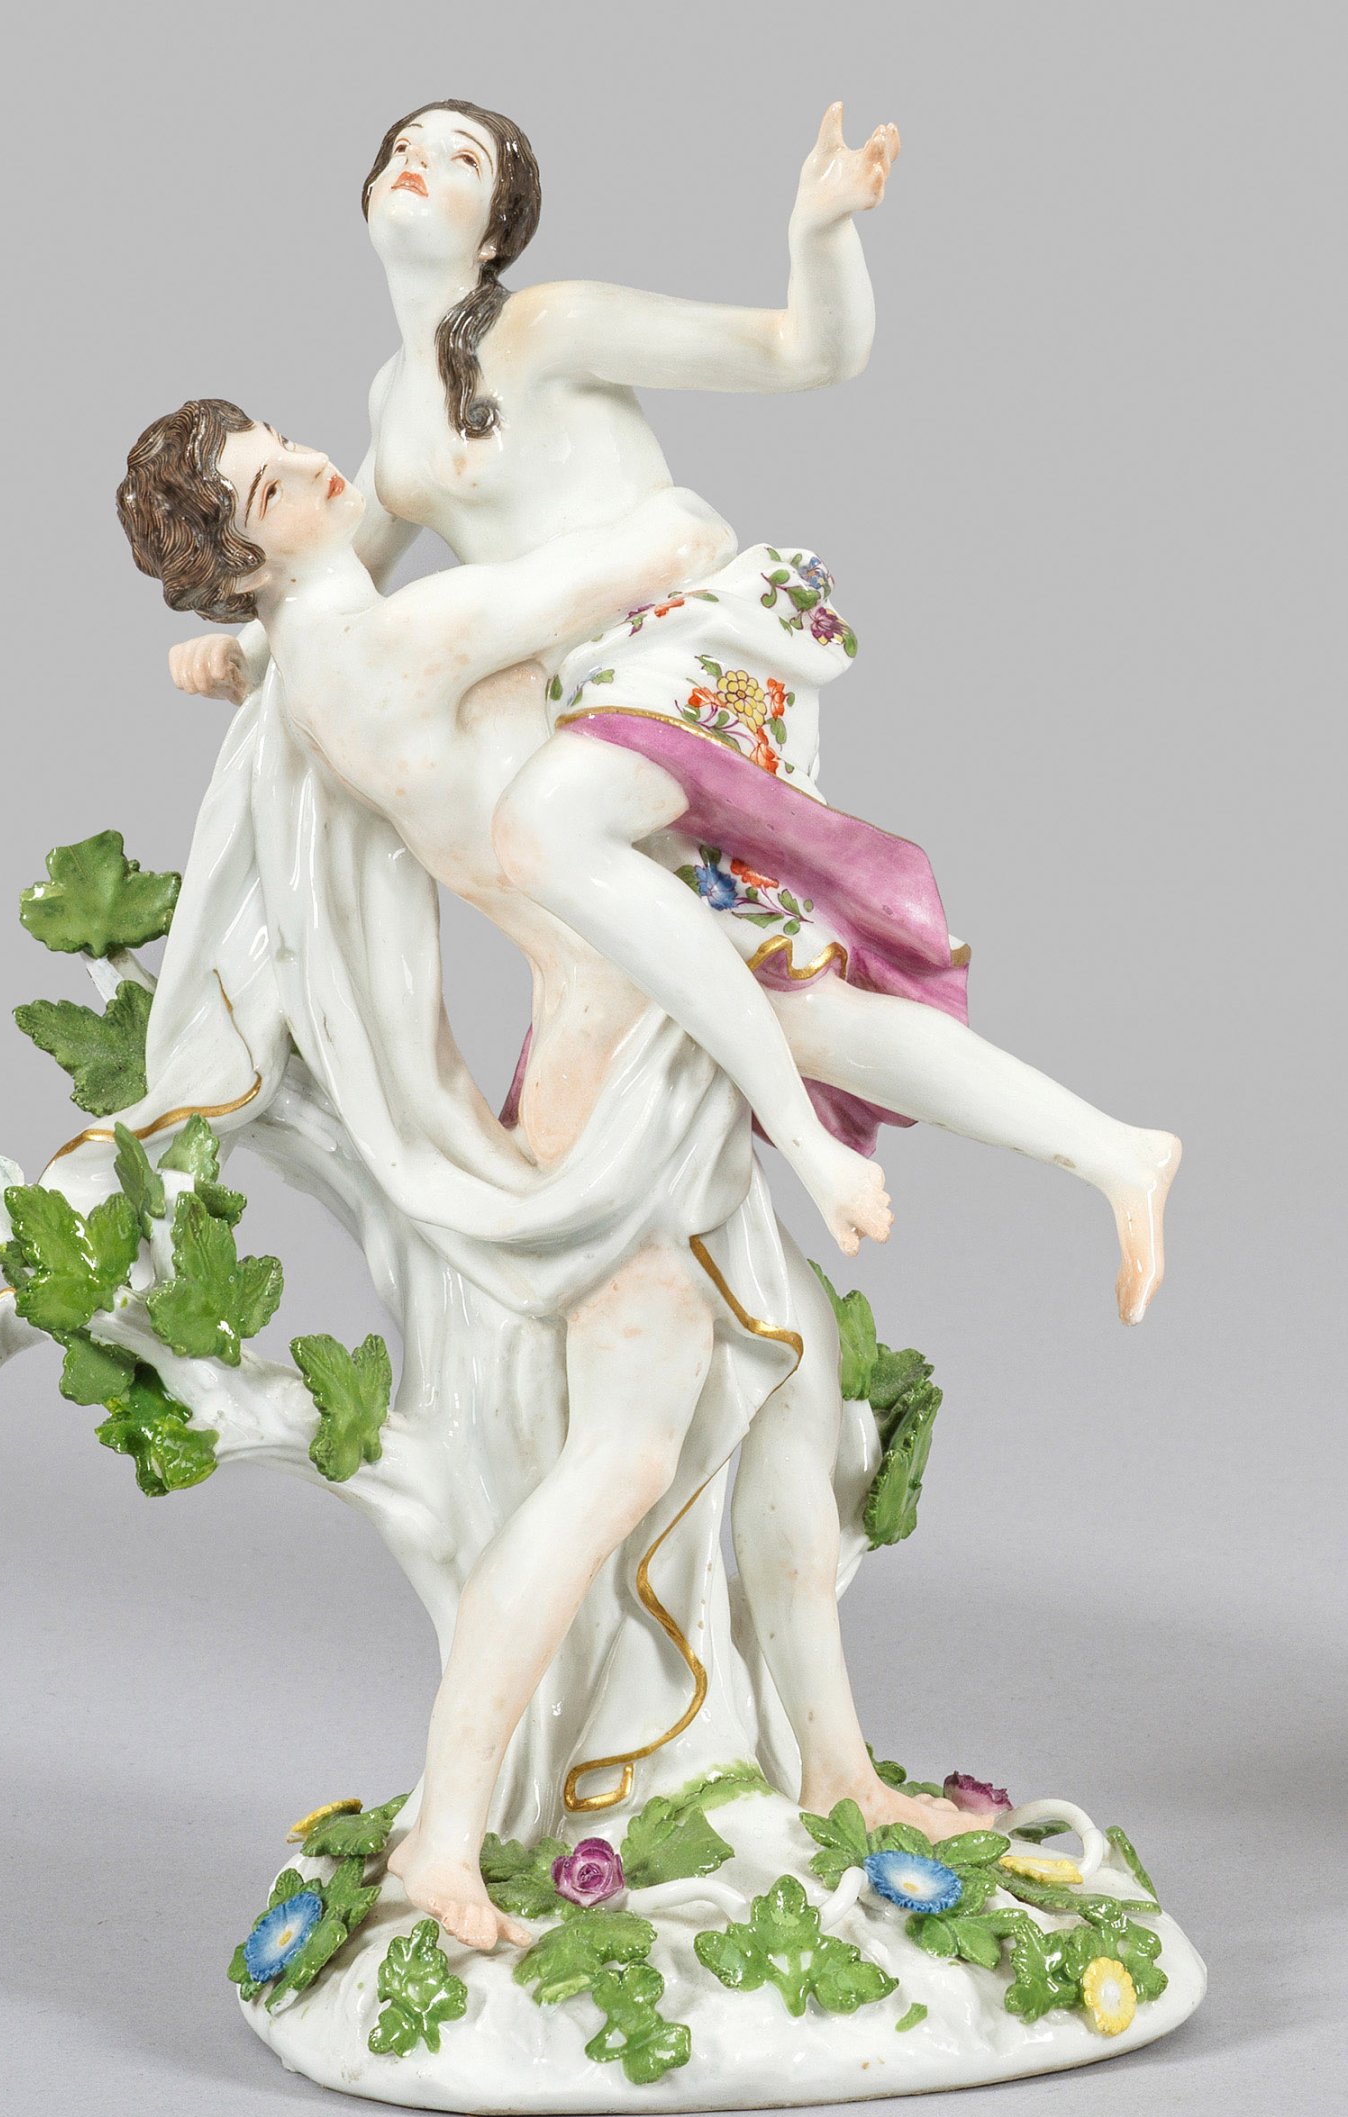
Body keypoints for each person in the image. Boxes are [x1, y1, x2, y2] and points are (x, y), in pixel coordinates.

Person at [118, 398, 998, 1950]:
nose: (317, 463)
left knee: (795, 1388)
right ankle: (447, 1837)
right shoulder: (398, 637)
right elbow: (657, 546)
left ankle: (838, 1771)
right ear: (243, 557)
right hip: (611, 1069)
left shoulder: (322, 654)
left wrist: (238, 652)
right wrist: (602, 488)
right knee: (625, 1457)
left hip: (637, 1035)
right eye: (271, 485)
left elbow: (360, 650)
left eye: (284, 438)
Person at [169, 98, 1179, 1320]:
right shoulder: (391, 405)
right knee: (782, 1000)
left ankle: (805, 1144)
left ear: (495, 229)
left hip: (687, 640)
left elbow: (804, 351)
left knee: (542, 829)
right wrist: (240, 653)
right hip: (592, 706)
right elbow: (340, 580)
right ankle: (1118, 1152)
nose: (417, 164)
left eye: (458, 156)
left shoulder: (553, 324)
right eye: (401, 150)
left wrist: (821, 235)